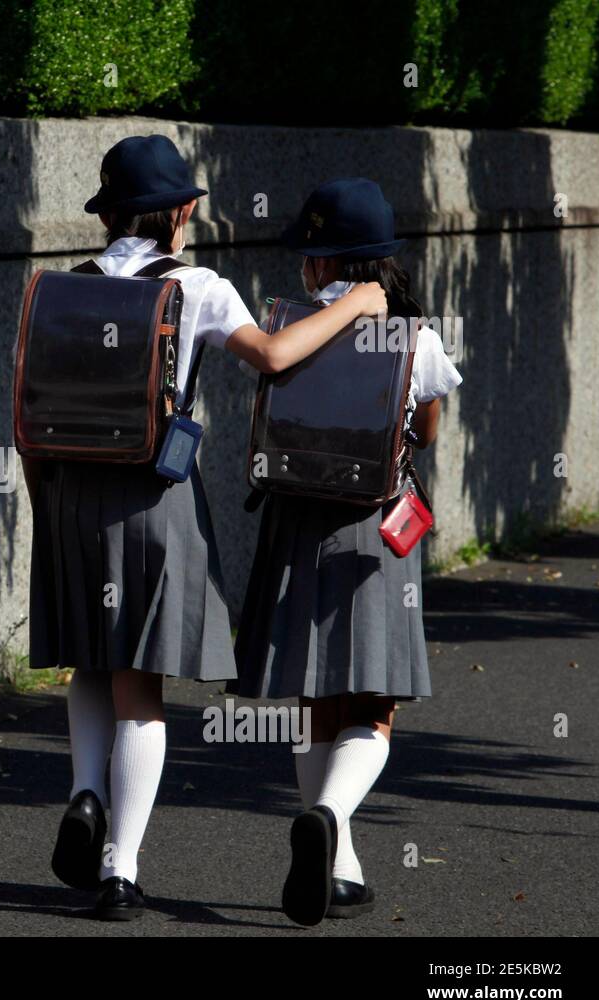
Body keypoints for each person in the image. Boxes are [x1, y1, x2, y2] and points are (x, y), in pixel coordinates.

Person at [31, 137, 389, 920]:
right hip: (155, 494)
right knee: (142, 684)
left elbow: (28, 413)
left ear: (109, 212)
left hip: (67, 495)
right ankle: (121, 867)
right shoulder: (199, 286)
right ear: (182, 212)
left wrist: (44, 504)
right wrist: (357, 304)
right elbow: (272, 356)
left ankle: (86, 792)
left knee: (89, 664)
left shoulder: (56, 286)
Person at [232, 177, 463, 926]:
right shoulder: (414, 335)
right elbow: (427, 432)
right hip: (373, 529)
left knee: (313, 697)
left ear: (321, 265)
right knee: (375, 703)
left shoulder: (289, 325)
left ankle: (339, 869)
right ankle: (329, 819)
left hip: (296, 522)